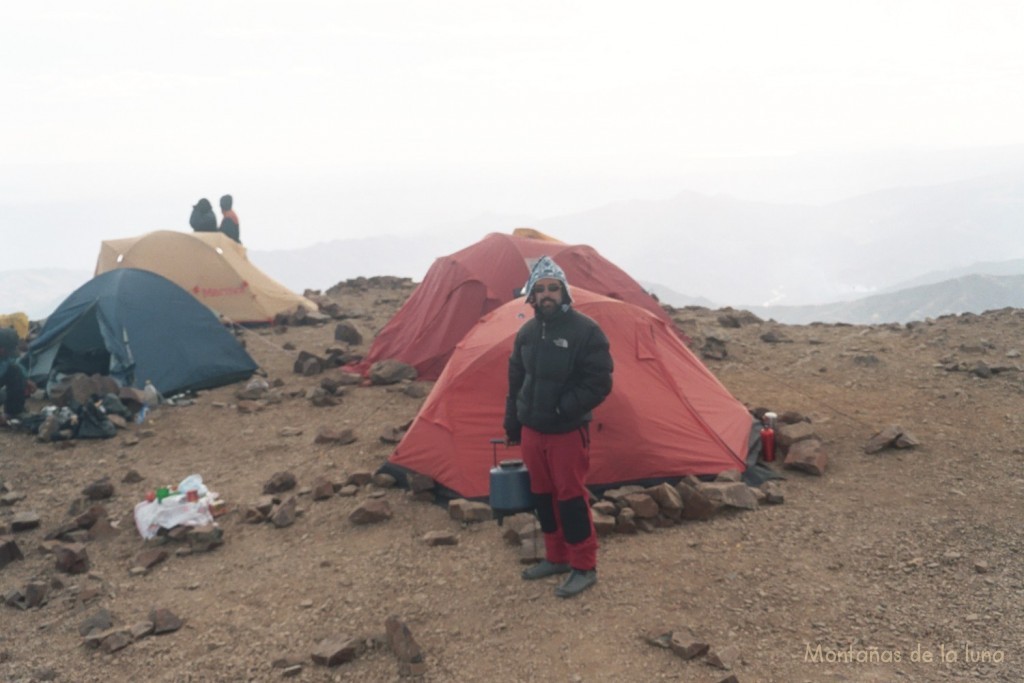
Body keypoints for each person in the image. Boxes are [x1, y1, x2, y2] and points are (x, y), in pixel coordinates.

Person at [504, 256, 613, 598]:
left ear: (564, 292)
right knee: (542, 494)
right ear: (531, 296)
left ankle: (584, 565)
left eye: (554, 288)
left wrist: (562, 407)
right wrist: (513, 421)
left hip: (566, 430)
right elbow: (516, 381)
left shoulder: (586, 331)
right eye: (541, 289)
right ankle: (556, 555)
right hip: (533, 429)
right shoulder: (527, 332)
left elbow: (599, 382)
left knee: (570, 497)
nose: (547, 294)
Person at [0, 327, 27, 424]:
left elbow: (15, 365)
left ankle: (14, 412)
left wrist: (26, 380)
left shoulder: (4, 357)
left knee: (15, 371)